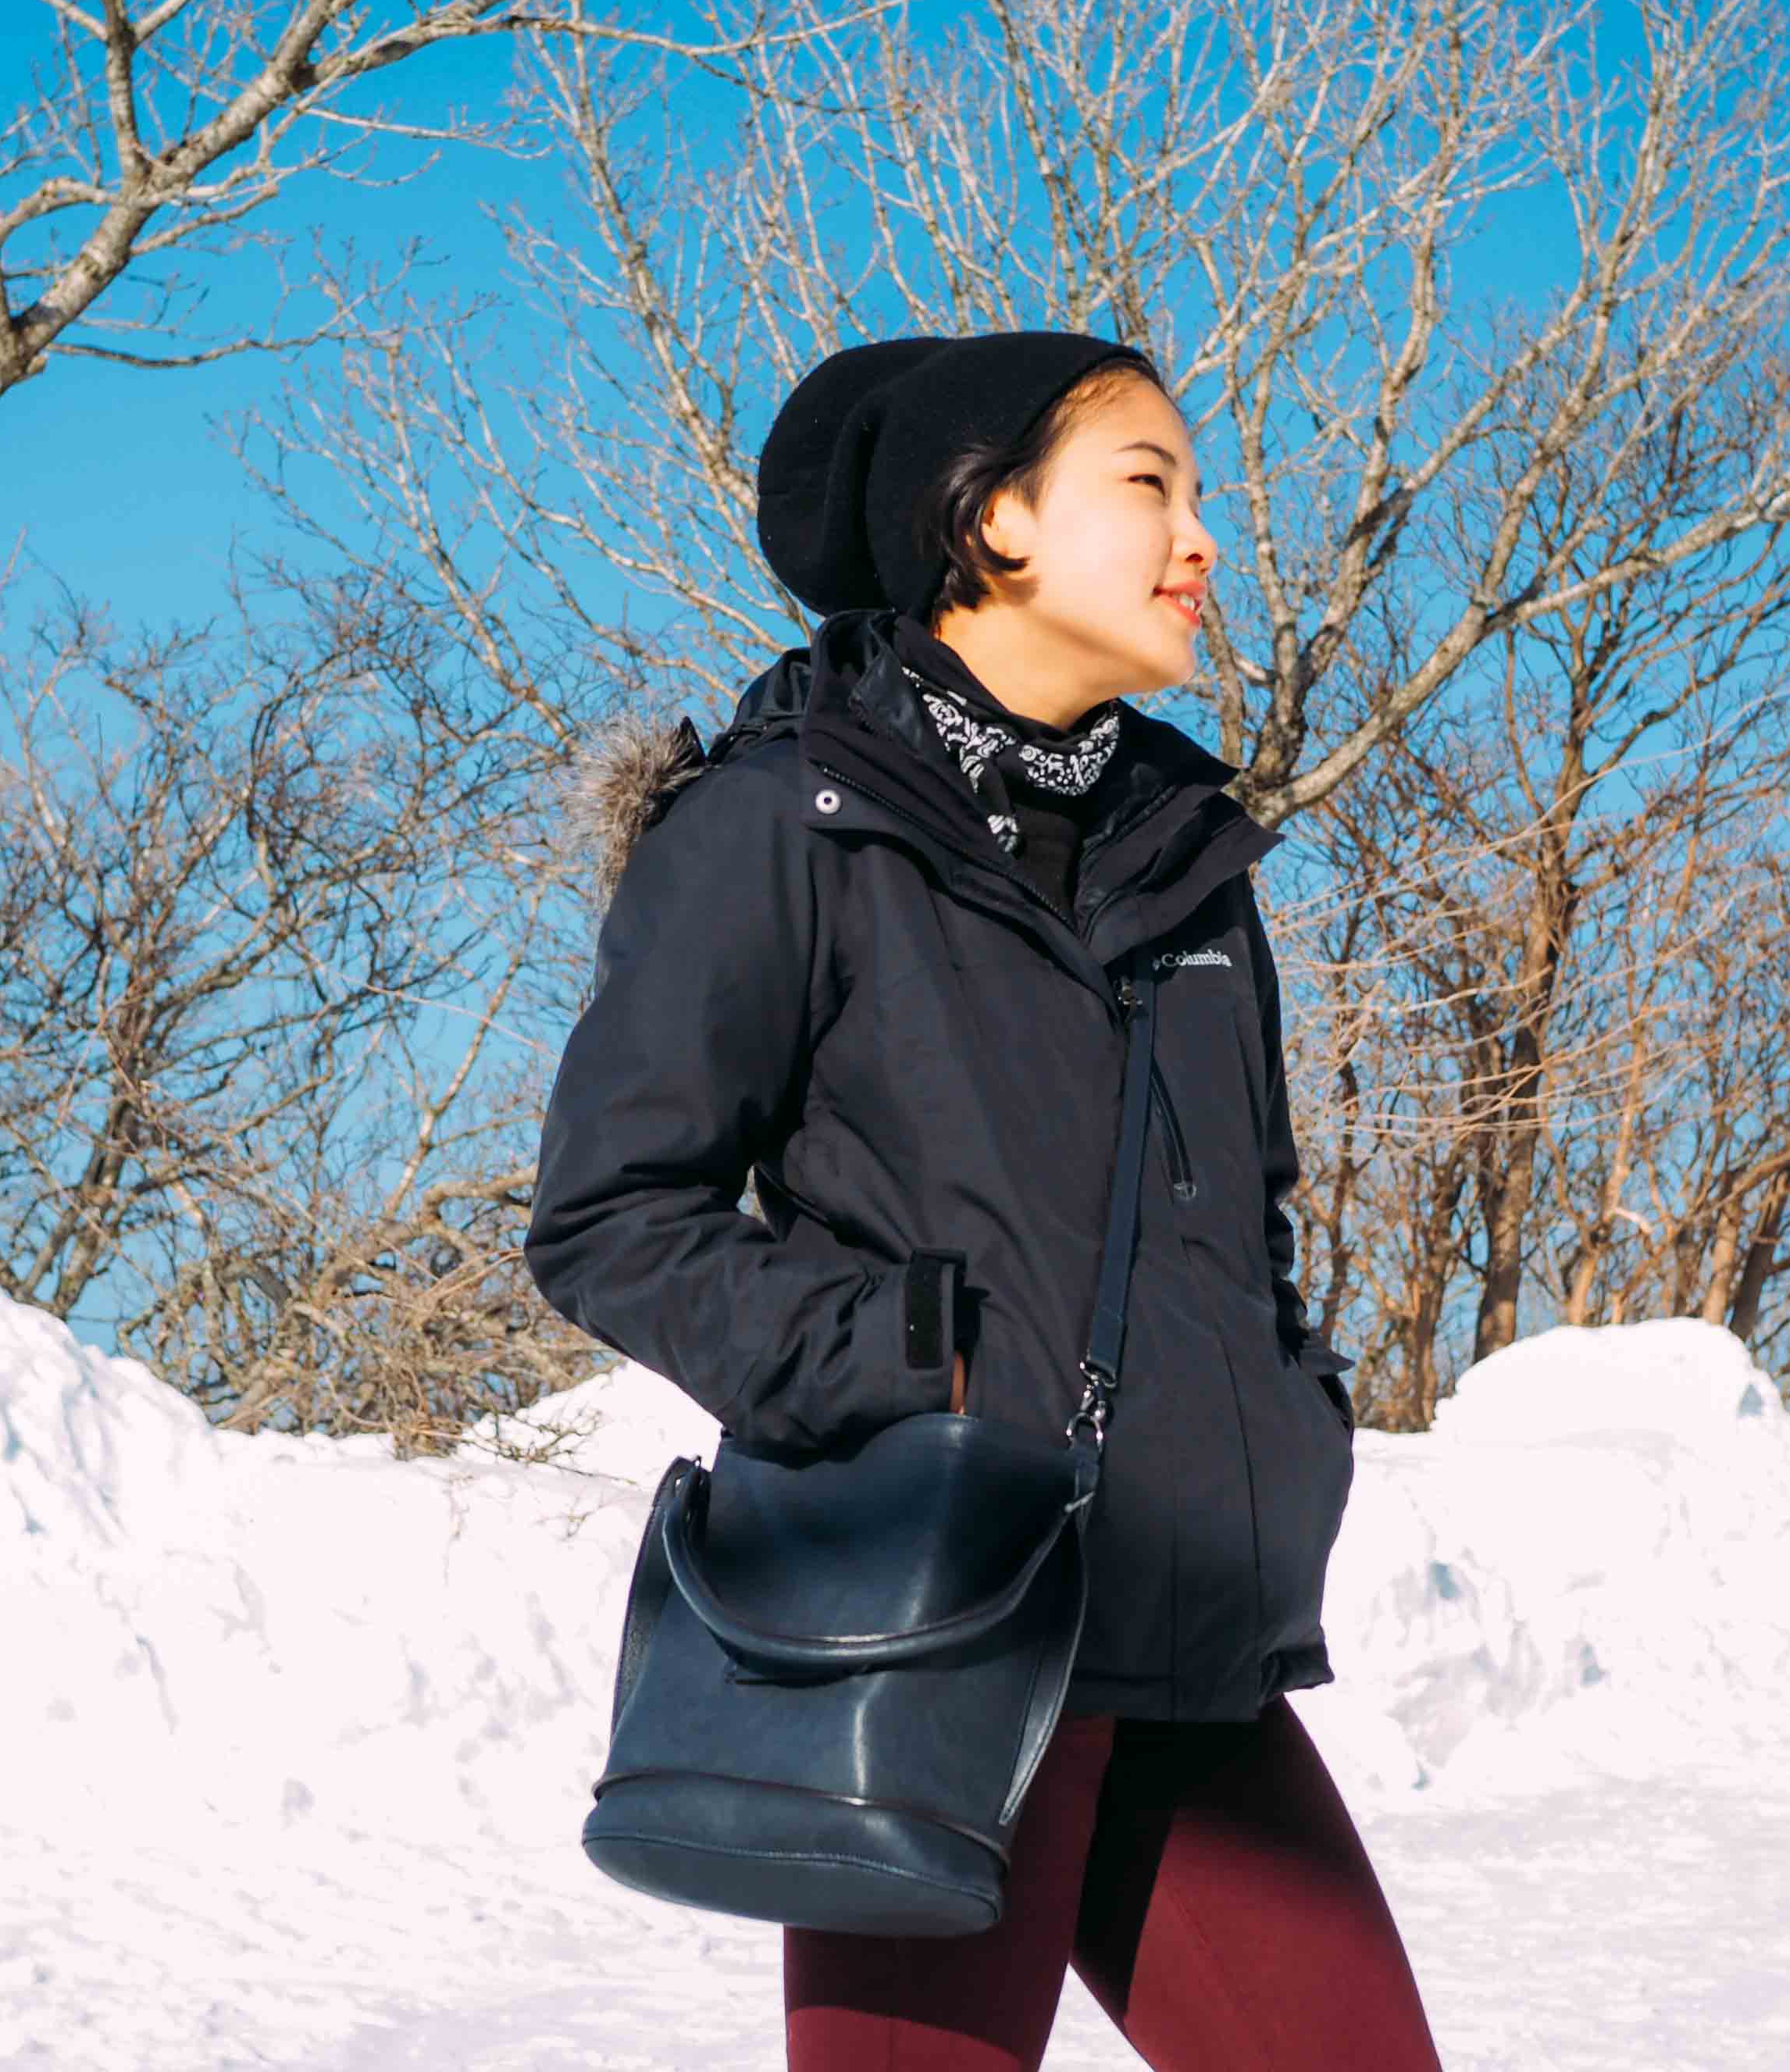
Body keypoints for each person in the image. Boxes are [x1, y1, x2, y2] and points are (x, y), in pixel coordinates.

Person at [524, 331, 1445, 2072]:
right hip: (929, 1637)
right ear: (995, 520)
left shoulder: (1187, 858)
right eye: (1150, 484)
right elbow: (608, 1213)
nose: (1204, 541)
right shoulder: (782, 826)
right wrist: (908, 1362)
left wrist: (1280, 1401)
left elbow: (1238, 1214)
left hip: (1184, 1647)